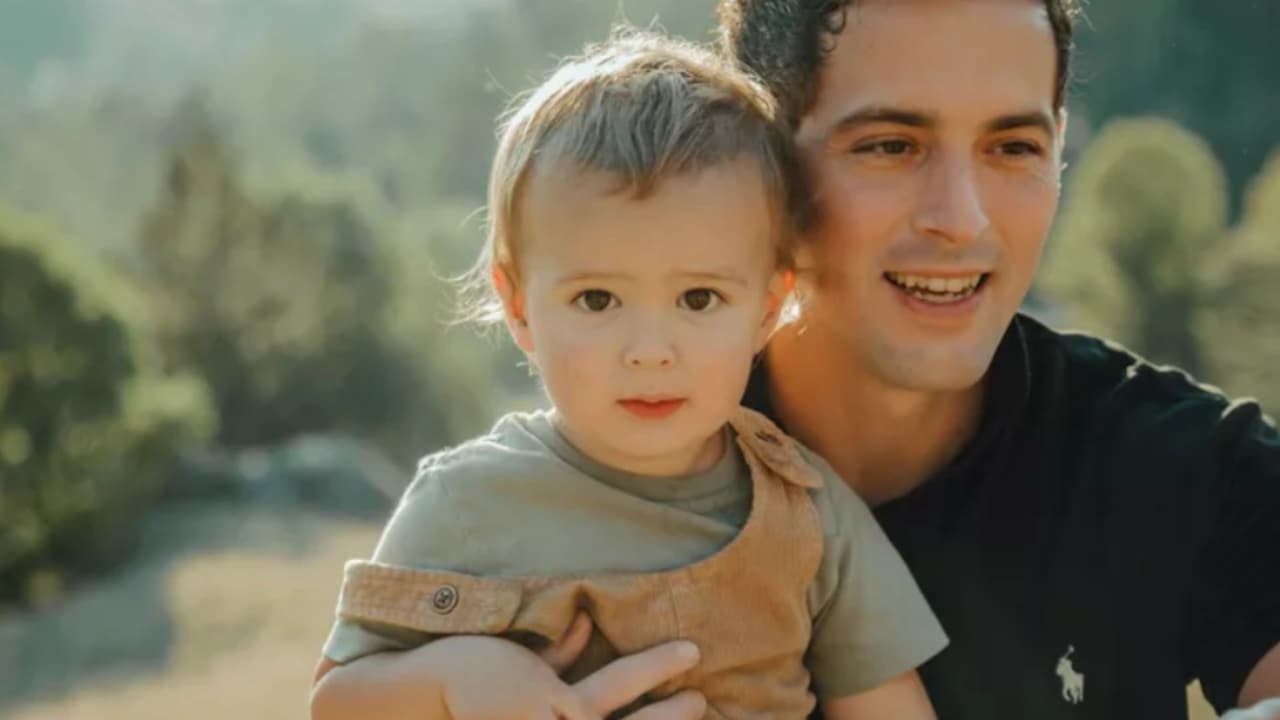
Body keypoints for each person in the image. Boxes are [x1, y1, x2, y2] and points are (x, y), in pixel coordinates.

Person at [311, 1, 1280, 718]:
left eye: (1013, 146)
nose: (961, 218)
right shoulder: (541, 471)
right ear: (774, 167)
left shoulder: (1195, 470)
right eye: (891, 144)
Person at [309, 29, 948, 720]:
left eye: (698, 299)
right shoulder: (465, 505)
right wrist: (452, 676)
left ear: (767, 307)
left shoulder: (811, 515)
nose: (649, 350)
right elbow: (337, 701)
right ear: (519, 307)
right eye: (597, 300)